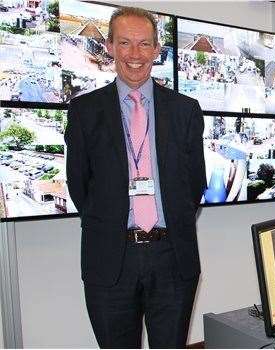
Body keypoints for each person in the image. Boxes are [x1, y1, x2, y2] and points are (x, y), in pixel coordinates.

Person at [65, 6, 206, 348]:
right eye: (125, 43)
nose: (135, 54)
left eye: (144, 44)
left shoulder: (185, 110)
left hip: (172, 256)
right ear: (110, 46)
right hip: (110, 259)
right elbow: (79, 186)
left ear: (157, 50)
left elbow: (194, 185)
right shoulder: (85, 111)